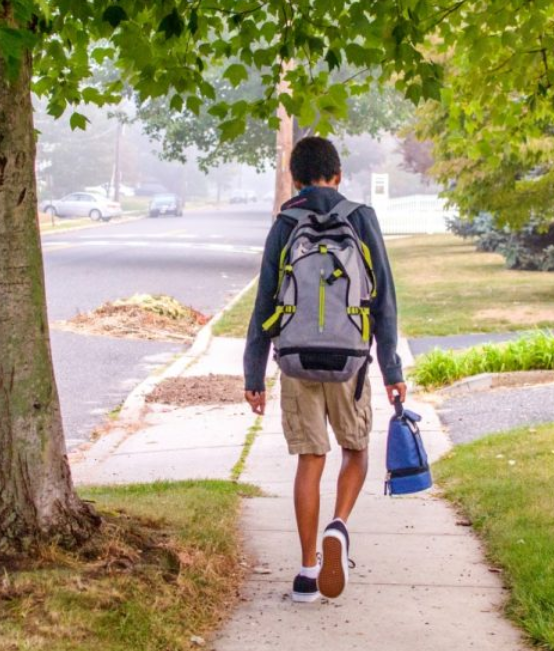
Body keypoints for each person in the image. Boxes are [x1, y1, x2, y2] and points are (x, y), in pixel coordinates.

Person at [243, 136, 407, 603]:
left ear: (294, 180)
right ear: (337, 176)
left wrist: (254, 374)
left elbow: (264, 303)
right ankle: (339, 525)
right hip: (349, 361)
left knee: (310, 460)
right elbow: (384, 300)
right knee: (355, 450)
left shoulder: (286, 223)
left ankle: (306, 570)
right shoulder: (360, 217)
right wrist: (391, 367)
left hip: (296, 360)